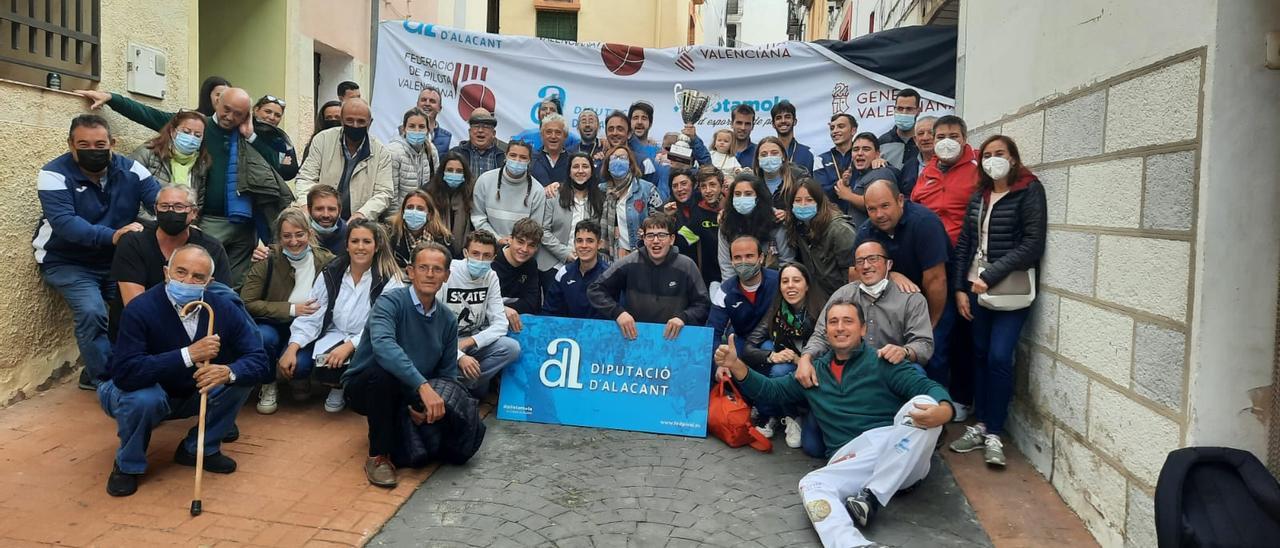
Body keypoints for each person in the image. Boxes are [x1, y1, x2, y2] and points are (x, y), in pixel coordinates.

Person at [714, 297, 954, 547]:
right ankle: (854, 545)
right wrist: (737, 365)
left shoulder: (883, 362)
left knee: (924, 403)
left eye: (848, 321)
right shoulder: (814, 371)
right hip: (850, 460)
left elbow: (927, 387)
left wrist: (944, 412)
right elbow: (771, 391)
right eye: (833, 322)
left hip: (897, 454)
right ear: (825, 330)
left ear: (863, 329)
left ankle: (872, 495)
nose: (840, 327)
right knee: (811, 484)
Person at [75, 88, 294, 285]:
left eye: (238, 113)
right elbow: (149, 115)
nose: (231, 117)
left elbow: (275, 168)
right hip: (208, 220)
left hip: (244, 222)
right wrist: (112, 98)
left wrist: (251, 135)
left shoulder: (248, 133)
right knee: (200, 276)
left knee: (233, 284)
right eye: (227, 109)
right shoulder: (199, 126)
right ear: (217, 102)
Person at [100, 245, 269, 497]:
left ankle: (199, 448)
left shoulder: (222, 307)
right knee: (143, 398)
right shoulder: (140, 309)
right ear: (166, 272)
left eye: (197, 277)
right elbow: (125, 373)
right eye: (181, 272)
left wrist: (229, 371)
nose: (187, 281)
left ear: (209, 282)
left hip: (190, 391)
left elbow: (259, 359)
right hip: (137, 390)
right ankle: (128, 464)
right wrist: (188, 355)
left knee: (239, 378)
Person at [35, 114, 161, 389]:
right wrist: (114, 235)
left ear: (112, 143)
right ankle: (105, 380)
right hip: (67, 261)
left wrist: (179, 218)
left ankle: (120, 366)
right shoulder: (52, 174)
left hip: (116, 260)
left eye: (100, 144)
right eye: (84, 144)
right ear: (71, 144)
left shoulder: (133, 170)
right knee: (93, 313)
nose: (93, 150)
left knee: (138, 309)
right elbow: (66, 224)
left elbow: (160, 201)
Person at [948, 135, 1047, 467]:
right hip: (975, 289)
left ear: (1014, 158)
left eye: (1000, 154)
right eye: (987, 154)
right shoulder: (980, 195)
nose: (993, 160)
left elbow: (1032, 244)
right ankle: (980, 425)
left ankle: (994, 432)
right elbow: (965, 243)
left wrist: (990, 276)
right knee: (978, 354)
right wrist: (960, 288)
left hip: (1009, 290)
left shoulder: (1029, 190)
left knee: (999, 356)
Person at [342, 241, 459, 488]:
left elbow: (448, 373)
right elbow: (384, 348)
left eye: (437, 269)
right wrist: (423, 389)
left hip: (412, 389)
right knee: (382, 375)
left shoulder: (447, 319)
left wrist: (427, 402)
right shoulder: (390, 303)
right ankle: (378, 456)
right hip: (367, 385)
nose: (429, 274)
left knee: (442, 437)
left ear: (446, 276)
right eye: (423, 267)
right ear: (410, 271)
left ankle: (402, 425)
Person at [277, 219, 405, 412]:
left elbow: (383, 325)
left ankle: (345, 387)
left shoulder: (390, 280)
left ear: (377, 246)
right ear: (346, 245)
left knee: (363, 365)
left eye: (366, 241)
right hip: (334, 333)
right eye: (354, 241)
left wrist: (349, 346)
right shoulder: (332, 272)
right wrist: (292, 348)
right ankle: (336, 383)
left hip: (370, 340)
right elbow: (313, 313)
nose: (360, 247)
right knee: (300, 365)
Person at [796, 240, 935, 395]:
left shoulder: (911, 299)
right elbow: (821, 335)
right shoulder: (843, 295)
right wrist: (805, 358)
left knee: (916, 373)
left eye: (873, 259)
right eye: (860, 261)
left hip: (890, 367)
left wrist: (905, 351)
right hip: (848, 365)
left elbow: (924, 344)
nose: (866, 266)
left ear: (889, 264)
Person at [855, 181, 955, 395]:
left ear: (900, 200)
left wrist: (930, 323)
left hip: (936, 296)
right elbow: (854, 274)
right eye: (871, 209)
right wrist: (891, 274)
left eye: (885, 206)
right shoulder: (866, 230)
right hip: (893, 304)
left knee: (935, 351)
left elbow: (936, 279)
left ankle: (939, 409)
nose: (879, 214)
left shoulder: (925, 223)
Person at [239, 208, 334, 414]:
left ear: (309, 233)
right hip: (271, 323)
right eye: (287, 236)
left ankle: (298, 377)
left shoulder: (326, 261)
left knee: (300, 366)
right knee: (263, 338)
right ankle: (268, 383)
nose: (293, 241)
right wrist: (292, 309)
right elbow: (247, 301)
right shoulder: (266, 259)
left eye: (299, 234)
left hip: (309, 327)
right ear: (279, 238)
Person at [111, 185, 233, 328]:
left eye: (179, 207)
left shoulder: (212, 248)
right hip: (138, 333)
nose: (170, 212)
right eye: (164, 206)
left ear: (194, 212)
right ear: (155, 210)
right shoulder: (133, 242)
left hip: (194, 330)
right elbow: (135, 306)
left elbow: (223, 301)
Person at [737, 262, 824, 450]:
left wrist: (796, 359)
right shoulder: (776, 311)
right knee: (772, 355)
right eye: (785, 281)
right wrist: (770, 356)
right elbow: (749, 347)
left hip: (816, 377)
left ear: (807, 284)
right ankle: (789, 417)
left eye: (796, 280)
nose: (790, 286)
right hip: (787, 373)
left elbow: (826, 360)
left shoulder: (821, 313)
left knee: (814, 447)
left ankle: (801, 414)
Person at [588, 213, 710, 340]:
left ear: (672, 239)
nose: (656, 241)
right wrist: (618, 313)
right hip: (635, 339)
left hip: (675, 341)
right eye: (650, 235)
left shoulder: (687, 266)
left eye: (662, 235)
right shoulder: (630, 262)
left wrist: (684, 318)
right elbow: (595, 290)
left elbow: (703, 304)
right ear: (644, 239)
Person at [437, 230, 521, 398]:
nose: (480, 260)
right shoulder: (448, 272)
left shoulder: (491, 276)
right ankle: (469, 383)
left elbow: (500, 324)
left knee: (511, 348)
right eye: (475, 254)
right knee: (479, 390)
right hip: (444, 340)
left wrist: (470, 342)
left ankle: (462, 383)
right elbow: (433, 326)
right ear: (465, 253)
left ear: (494, 257)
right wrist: (459, 356)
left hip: (472, 339)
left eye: (486, 255)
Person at [294, 98, 395, 223]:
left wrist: (361, 215)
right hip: (319, 219)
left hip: (359, 223)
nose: (355, 125)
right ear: (341, 120)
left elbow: (384, 192)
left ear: (370, 122)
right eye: (349, 120)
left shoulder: (381, 152)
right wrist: (306, 206)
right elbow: (305, 178)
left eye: (361, 121)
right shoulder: (322, 140)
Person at [471, 140, 556, 249]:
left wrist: (514, 243)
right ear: (505, 156)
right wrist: (497, 239)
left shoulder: (537, 190)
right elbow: (478, 217)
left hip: (520, 251)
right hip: (487, 246)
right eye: (513, 155)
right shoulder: (485, 180)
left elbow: (534, 228)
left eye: (523, 157)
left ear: (529, 161)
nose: (517, 160)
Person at [127, 111, 208, 221]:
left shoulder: (200, 164)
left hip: (182, 227)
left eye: (198, 135)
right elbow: (128, 193)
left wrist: (189, 225)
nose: (191, 138)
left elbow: (198, 204)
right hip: (146, 224)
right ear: (172, 131)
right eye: (186, 132)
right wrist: (154, 222)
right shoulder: (147, 153)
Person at [786, 178, 856, 305]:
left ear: (819, 202)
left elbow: (853, 274)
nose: (803, 205)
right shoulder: (799, 226)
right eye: (797, 200)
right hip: (818, 298)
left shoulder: (839, 229)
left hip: (843, 298)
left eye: (809, 200)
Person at [708, 234, 777, 360]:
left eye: (749, 256)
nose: (743, 262)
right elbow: (713, 332)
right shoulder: (725, 291)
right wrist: (719, 362)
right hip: (740, 339)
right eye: (737, 258)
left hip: (772, 340)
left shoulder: (778, 282)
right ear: (732, 262)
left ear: (761, 258)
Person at [913, 114, 978, 245]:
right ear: (935, 140)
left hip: (967, 251)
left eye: (953, 136)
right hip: (932, 249)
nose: (947, 141)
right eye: (941, 137)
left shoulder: (980, 162)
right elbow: (915, 207)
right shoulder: (927, 172)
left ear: (964, 139)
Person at [716, 173, 794, 281]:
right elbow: (726, 266)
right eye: (737, 194)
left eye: (748, 194)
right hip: (739, 285)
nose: (742, 198)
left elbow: (786, 262)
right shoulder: (726, 223)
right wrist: (732, 293)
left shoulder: (775, 220)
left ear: (758, 197)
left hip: (773, 283)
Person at [598, 144, 663, 260]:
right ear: (607, 164)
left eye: (623, 158)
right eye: (614, 158)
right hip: (612, 258)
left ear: (630, 164)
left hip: (643, 255)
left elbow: (661, 221)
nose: (618, 161)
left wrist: (647, 229)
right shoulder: (600, 191)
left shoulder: (647, 189)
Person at [543, 220, 610, 319]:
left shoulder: (610, 275)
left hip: (598, 332)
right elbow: (549, 312)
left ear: (599, 244)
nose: (584, 246)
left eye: (590, 241)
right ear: (574, 243)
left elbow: (617, 314)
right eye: (579, 240)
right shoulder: (563, 273)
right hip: (567, 332)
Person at [833, 132, 900, 226]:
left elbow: (878, 204)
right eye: (856, 149)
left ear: (877, 154)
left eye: (866, 149)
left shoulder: (880, 172)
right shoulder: (861, 174)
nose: (860, 153)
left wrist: (848, 195)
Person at [675, 166, 724, 288]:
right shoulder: (698, 212)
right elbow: (684, 240)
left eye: (712, 185)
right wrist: (671, 221)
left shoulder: (734, 205)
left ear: (721, 186)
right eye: (703, 186)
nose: (708, 190)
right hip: (711, 277)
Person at [493, 218, 544, 330]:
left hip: (515, 321)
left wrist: (505, 308)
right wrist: (502, 310)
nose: (524, 249)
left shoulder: (531, 264)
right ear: (510, 239)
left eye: (531, 245)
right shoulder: (491, 258)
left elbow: (531, 303)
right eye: (520, 242)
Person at [386, 108, 440, 210]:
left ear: (428, 130)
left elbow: (436, 186)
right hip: (399, 216)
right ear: (404, 129)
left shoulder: (431, 150)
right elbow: (391, 194)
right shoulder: (393, 151)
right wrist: (394, 220)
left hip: (424, 213)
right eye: (411, 126)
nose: (417, 130)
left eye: (421, 127)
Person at [425, 152, 476, 258]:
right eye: (449, 170)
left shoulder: (472, 192)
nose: (454, 174)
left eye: (459, 171)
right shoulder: (429, 192)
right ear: (442, 172)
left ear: (465, 174)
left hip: (464, 253)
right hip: (435, 251)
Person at [388, 189, 453, 269]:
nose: (414, 212)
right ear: (403, 212)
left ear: (429, 214)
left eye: (420, 209)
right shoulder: (390, 234)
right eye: (410, 207)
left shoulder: (443, 239)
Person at [250, 94, 300, 180]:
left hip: (272, 189)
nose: (272, 117)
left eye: (277, 115)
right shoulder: (244, 131)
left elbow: (290, 172)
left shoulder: (282, 138)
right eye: (268, 112)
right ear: (256, 110)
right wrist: (279, 163)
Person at [510, 95, 582, 151]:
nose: (547, 112)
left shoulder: (571, 139)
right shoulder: (525, 136)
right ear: (538, 115)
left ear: (559, 115)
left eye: (552, 109)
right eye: (544, 109)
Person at [449, 109, 505, 180]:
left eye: (485, 127)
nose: (480, 130)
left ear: (493, 133)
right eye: (476, 126)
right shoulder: (455, 153)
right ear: (469, 131)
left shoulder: (503, 156)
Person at [752, 136, 806, 208]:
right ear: (758, 159)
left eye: (774, 153)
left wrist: (788, 215)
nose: (769, 157)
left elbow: (809, 206)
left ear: (783, 156)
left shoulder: (799, 177)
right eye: (764, 155)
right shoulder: (752, 182)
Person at [814, 113, 857, 200]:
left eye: (841, 126)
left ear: (853, 131)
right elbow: (820, 192)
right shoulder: (820, 159)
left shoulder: (862, 155)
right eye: (832, 128)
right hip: (832, 212)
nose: (835, 131)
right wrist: (842, 183)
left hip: (860, 211)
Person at [878, 88, 922, 170]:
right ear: (894, 110)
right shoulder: (881, 142)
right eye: (900, 108)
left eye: (909, 109)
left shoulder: (924, 140)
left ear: (918, 111)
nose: (904, 113)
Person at [769, 100, 815, 174]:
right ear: (773, 124)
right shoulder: (768, 153)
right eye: (778, 118)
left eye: (787, 117)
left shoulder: (807, 153)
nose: (783, 121)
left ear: (794, 121)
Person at [530, 114, 571, 191]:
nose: (553, 136)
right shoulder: (531, 158)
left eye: (558, 132)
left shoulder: (573, 161)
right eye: (548, 132)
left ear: (565, 136)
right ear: (542, 135)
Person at [899, 116, 936, 199]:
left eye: (931, 132)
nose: (925, 138)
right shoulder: (908, 166)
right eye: (921, 134)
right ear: (915, 140)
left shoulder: (949, 163)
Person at [305, 184, 347, 257]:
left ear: (339, 210)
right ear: (309, 209)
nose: (326, 215)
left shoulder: (349, 235)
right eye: (319, 209)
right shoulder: (298, 235)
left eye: (331, 209)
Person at [415, 87, 453, 153]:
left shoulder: (447, 138)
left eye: (432, 101)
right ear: (417, 104)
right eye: (423, 100)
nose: (427, 104)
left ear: (439, 108)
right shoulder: (402, 131)